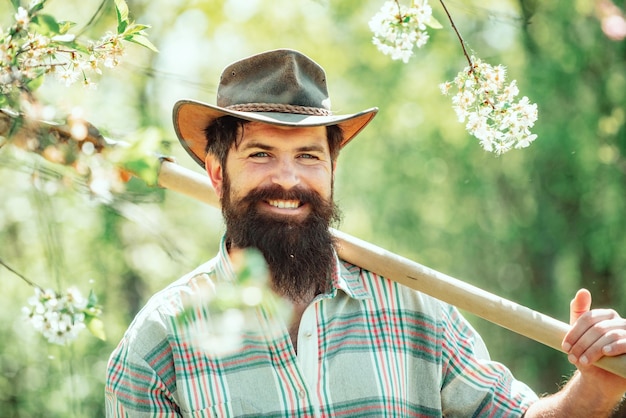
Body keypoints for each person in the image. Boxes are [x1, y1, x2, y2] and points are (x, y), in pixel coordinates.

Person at [105, 49, 626, 417]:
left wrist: (594, 391)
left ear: (332, 172)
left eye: (309, 157)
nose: (288, 179)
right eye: (261, 154)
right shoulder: (160, 342)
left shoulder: (418, 307)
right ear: (217, 174)